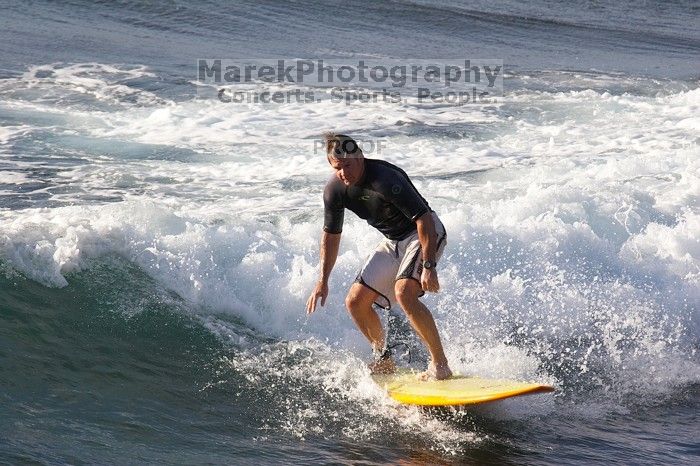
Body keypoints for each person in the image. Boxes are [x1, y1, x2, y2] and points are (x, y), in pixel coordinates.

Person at [305, 133, 452, 380]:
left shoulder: (386, 179)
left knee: (404, 293)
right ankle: (384, 360)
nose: (343, 173)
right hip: (393, 241)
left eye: (348, 165)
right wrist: (323, 280)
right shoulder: (335, 190)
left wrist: (428, 265)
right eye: (337, 168)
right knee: (355, 301)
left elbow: (423, 219)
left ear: (360, 156)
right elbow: (331, 236)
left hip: (423, 232)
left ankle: (440, 365)